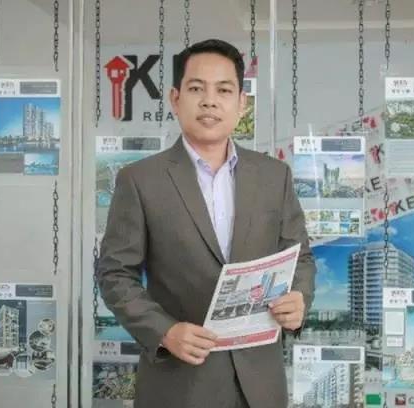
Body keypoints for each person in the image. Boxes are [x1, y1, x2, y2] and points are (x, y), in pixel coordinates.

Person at [97, 38, 316, 408]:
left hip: (260, 386)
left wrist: (299, 299)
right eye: (197, 88)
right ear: (175, 98)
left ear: (241, 103)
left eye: (224, 90)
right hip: (179, 383)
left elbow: (300, 257)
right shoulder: (140, 180)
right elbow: (114, 273)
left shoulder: (274, 175)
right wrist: (164, 331)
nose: (210, 101)